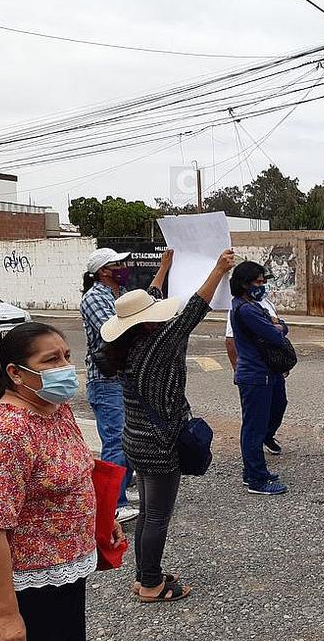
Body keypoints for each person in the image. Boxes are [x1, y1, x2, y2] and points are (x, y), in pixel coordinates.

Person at [0, 323, 124, 641]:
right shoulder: (6, 431)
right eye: (50, 360)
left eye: (67, 357)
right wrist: (6, 616)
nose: (65, 368)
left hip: (65, 574)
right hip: (24, 587)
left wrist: (101, 520)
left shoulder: (57, 409)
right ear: (16, 373)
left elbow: (77, 474)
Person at [100, 249, 235, 602]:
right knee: (158, 516)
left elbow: (155, 300)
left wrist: (163, 269)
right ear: (147, 322)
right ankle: (151, 584)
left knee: (148, 511)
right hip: (159, 445)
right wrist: (218, 270)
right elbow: (194, 309)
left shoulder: (130, 345)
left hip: (137, 440)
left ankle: (145, 573)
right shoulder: (156, 344)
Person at [80, 246, 167, 523]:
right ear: (103, 271)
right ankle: (113, 505)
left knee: (128, 439)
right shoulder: (95, 298)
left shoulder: (117, 294)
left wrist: (163, 269)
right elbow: (114, 333)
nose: (124, 266)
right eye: (118, 263)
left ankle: (121, 490)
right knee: (116, 441)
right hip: (106, 382)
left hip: (121, 379)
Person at [229, 261, 289, 495]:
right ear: (244, 283)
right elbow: (275, 336)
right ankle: (256, 479)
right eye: (258, 282)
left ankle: (255, 472)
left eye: (264, 282)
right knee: (254, 428)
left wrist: (278, 326)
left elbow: (278, 329)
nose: (262, 286)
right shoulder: (247, 310)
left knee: (258, 423)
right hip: (256, 375)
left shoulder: (248, 305)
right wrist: (279, 327)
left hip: (261, 373)